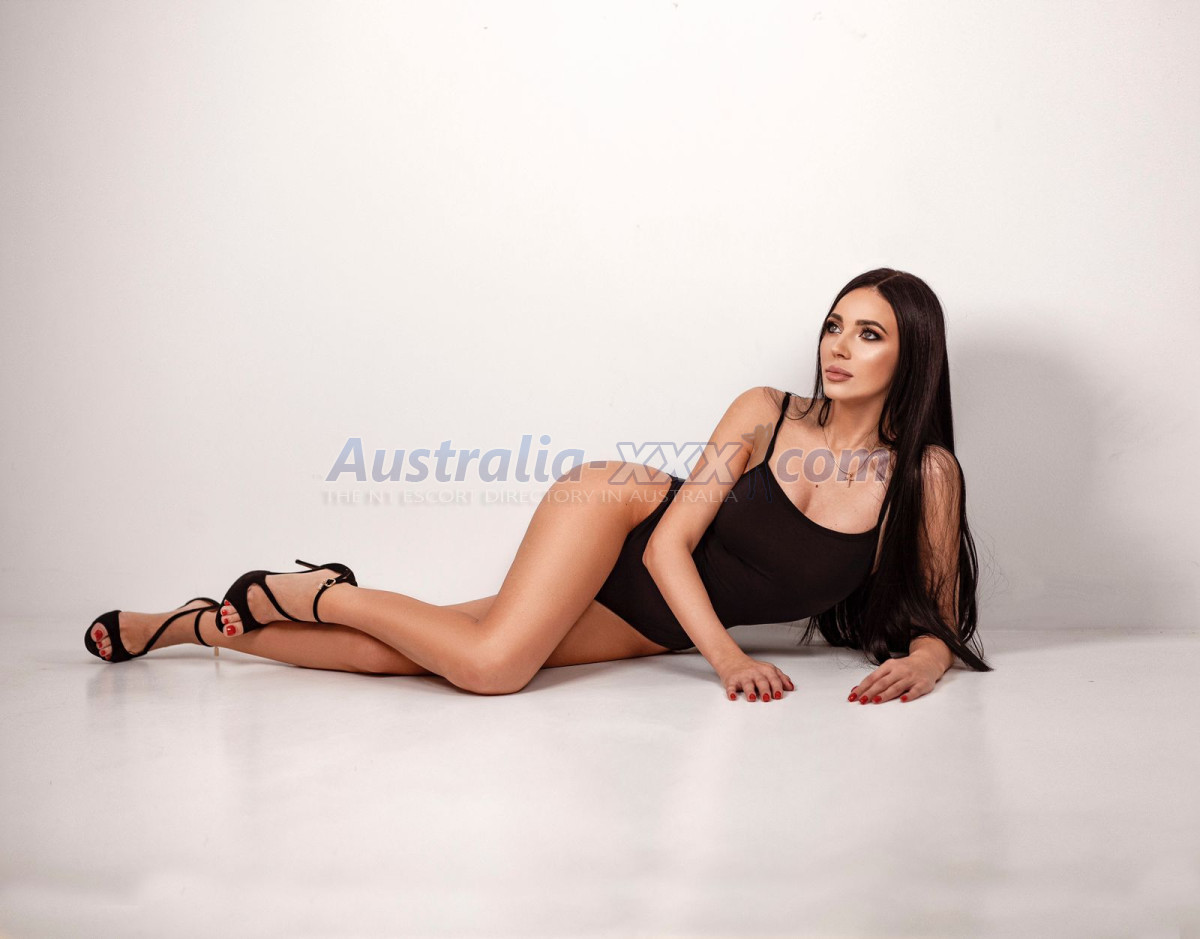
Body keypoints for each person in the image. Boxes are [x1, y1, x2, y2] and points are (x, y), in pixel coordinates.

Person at [84, 268, 992, 703]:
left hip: (655, 619)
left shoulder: (926, 476)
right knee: (491, 666)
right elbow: (672, 542)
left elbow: (937, 619)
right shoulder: (768, 411)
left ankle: (192, 624)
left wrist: (923, 661)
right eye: (834, 325)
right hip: (621, 518)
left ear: (913, 352)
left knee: (418, 655)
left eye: (869, 334)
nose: (838, 346)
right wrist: (727, 660)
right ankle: (323, 590)